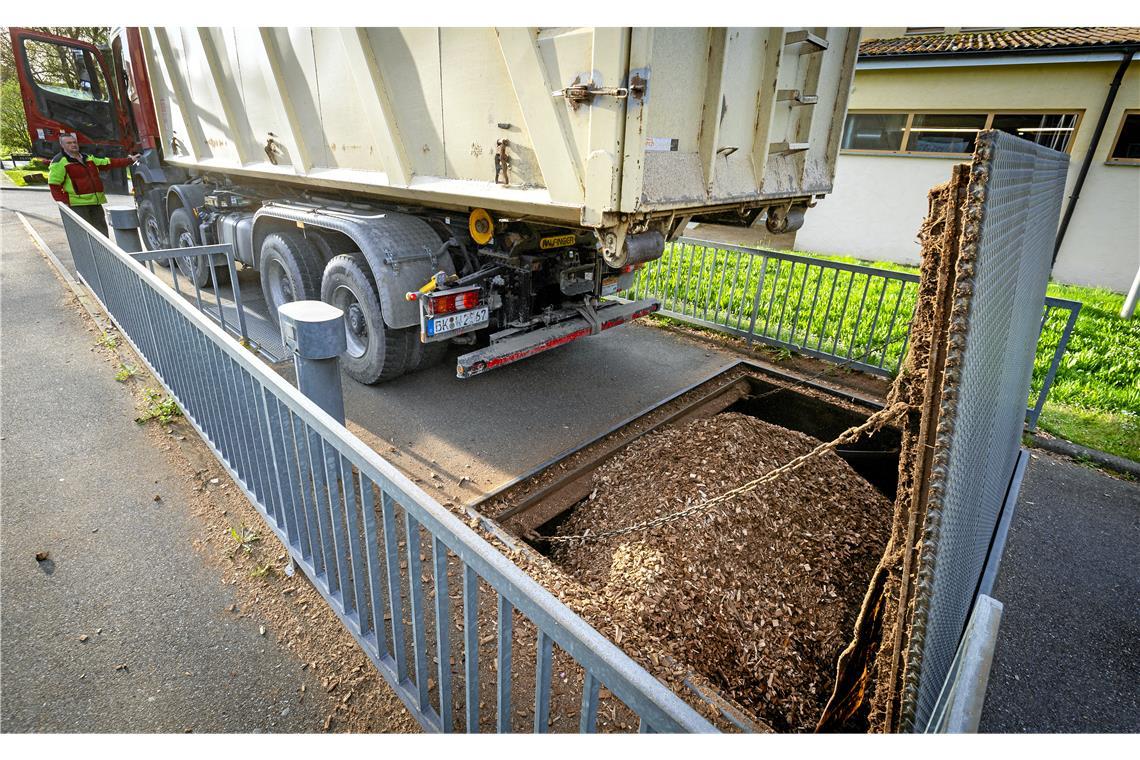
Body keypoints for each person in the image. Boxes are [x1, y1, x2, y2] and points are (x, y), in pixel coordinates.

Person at [48, 133, 139, 236]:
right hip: (77, 205)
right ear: (62, 145)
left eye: (74, 142)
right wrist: (65, 203)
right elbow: (54, 185)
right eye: (69, 143)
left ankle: (104, 252)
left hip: (95, 203)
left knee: (102, 234)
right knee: (84, 234)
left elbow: (109, 162)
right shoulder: (59, 162)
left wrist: (130, 160)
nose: (73, 145)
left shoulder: (88, 158)